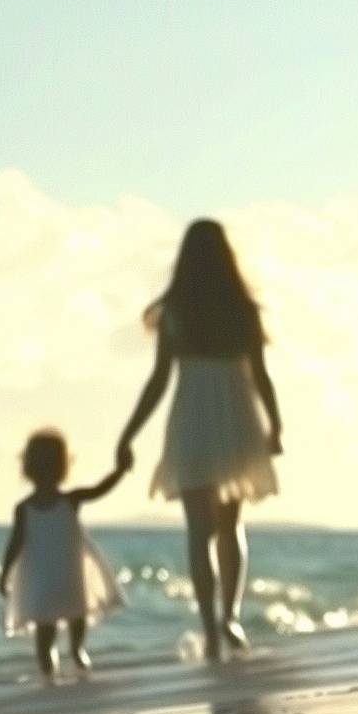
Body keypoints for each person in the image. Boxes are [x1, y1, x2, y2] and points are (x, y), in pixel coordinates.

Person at [116, 219, 283, 661]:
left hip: (192, 418)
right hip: (236, 416)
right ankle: (229, 616)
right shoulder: (242, 312)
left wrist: (129, 434)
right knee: (231, 524)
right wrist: (275, 425)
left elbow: (157, 382)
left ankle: (210, 628)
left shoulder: (177, 313)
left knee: (199, 532)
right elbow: (261, 376)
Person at [0, 429, 126, 678]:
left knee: (45, 627)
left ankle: (49, 666)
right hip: (68, 576)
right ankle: (76, 652)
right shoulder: (69, 500)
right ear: (64, 467)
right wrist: (120, 470)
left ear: (27, 468)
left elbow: (15, 544)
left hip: (43, 581)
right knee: (75, 616)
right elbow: (100, 489)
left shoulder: (26, 508)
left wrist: (5, 574)